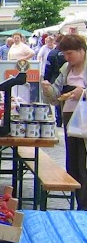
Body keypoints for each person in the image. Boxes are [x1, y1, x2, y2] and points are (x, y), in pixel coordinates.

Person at [41, 34, 87, 209]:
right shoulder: (66, 68)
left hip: (84, 121)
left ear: (81, 50)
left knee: (84, 165)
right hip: (70, 120)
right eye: (65, 54)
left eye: (70, 53)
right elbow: (56, 96)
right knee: (72, 163)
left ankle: (84, 206)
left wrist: (82, 92)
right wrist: (47, 89)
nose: (67, 58)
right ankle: (79, 202)